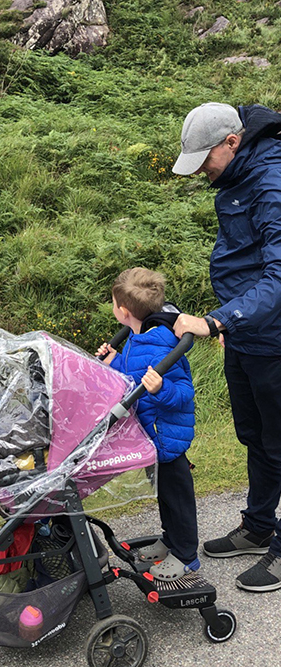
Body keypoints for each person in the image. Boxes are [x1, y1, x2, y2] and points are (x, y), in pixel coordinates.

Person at [172, 102, 281, 592]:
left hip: (272, 338)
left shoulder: (271, 183)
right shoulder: (236, 179)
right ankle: (259, 526)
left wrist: (217, 320)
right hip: (247, 335)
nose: (201, 172)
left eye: (204, 160)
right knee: (255, 437)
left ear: (232, 142)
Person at [97, 267, 199, 580]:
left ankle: (186, 555)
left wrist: (161, 388)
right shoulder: (139, 337)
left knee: (177, 499)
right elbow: (132, 374)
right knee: (165, 495)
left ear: (123, 311)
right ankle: (170, 541)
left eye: (113, 303)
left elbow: (184, 393)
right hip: (152, 436)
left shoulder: (157, 345)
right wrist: (113, 361)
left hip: (166, 437)